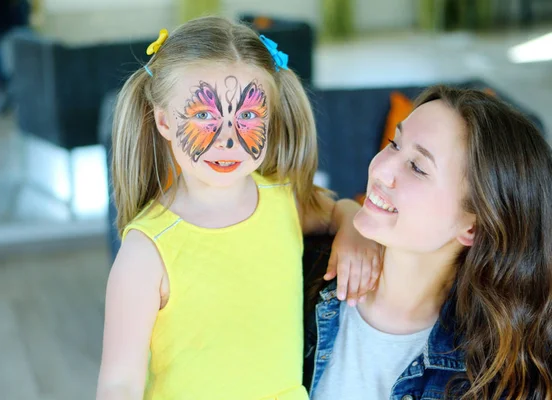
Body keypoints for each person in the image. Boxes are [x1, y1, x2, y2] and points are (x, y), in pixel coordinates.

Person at [96, 16, 381, 400]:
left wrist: (354, 228)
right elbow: (119, 384)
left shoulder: (284, 200)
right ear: (163, 121)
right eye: (203, 116)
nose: (227, 140)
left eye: (246, 116)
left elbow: (336, 212)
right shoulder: (145, 251)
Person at [305, 85, 552, 400]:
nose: (380, 169)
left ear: (472, 228)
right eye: (394, 144)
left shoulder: (496, 378)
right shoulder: (307, 271)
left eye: (417, 167)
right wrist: (343, 212)